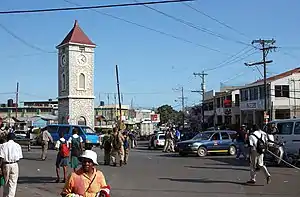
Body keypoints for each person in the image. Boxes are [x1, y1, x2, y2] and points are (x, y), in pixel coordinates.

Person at [0, 133, 23, 197]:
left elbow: (1, 157)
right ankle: (10, 196)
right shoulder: (17, 145)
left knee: (6, 182)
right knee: (13, 183)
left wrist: (0, 166)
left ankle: (6, 195)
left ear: (7, 138)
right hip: (14, 164)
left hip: (5, 164)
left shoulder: (3, 145)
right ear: (14, 138)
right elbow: (19, 158)